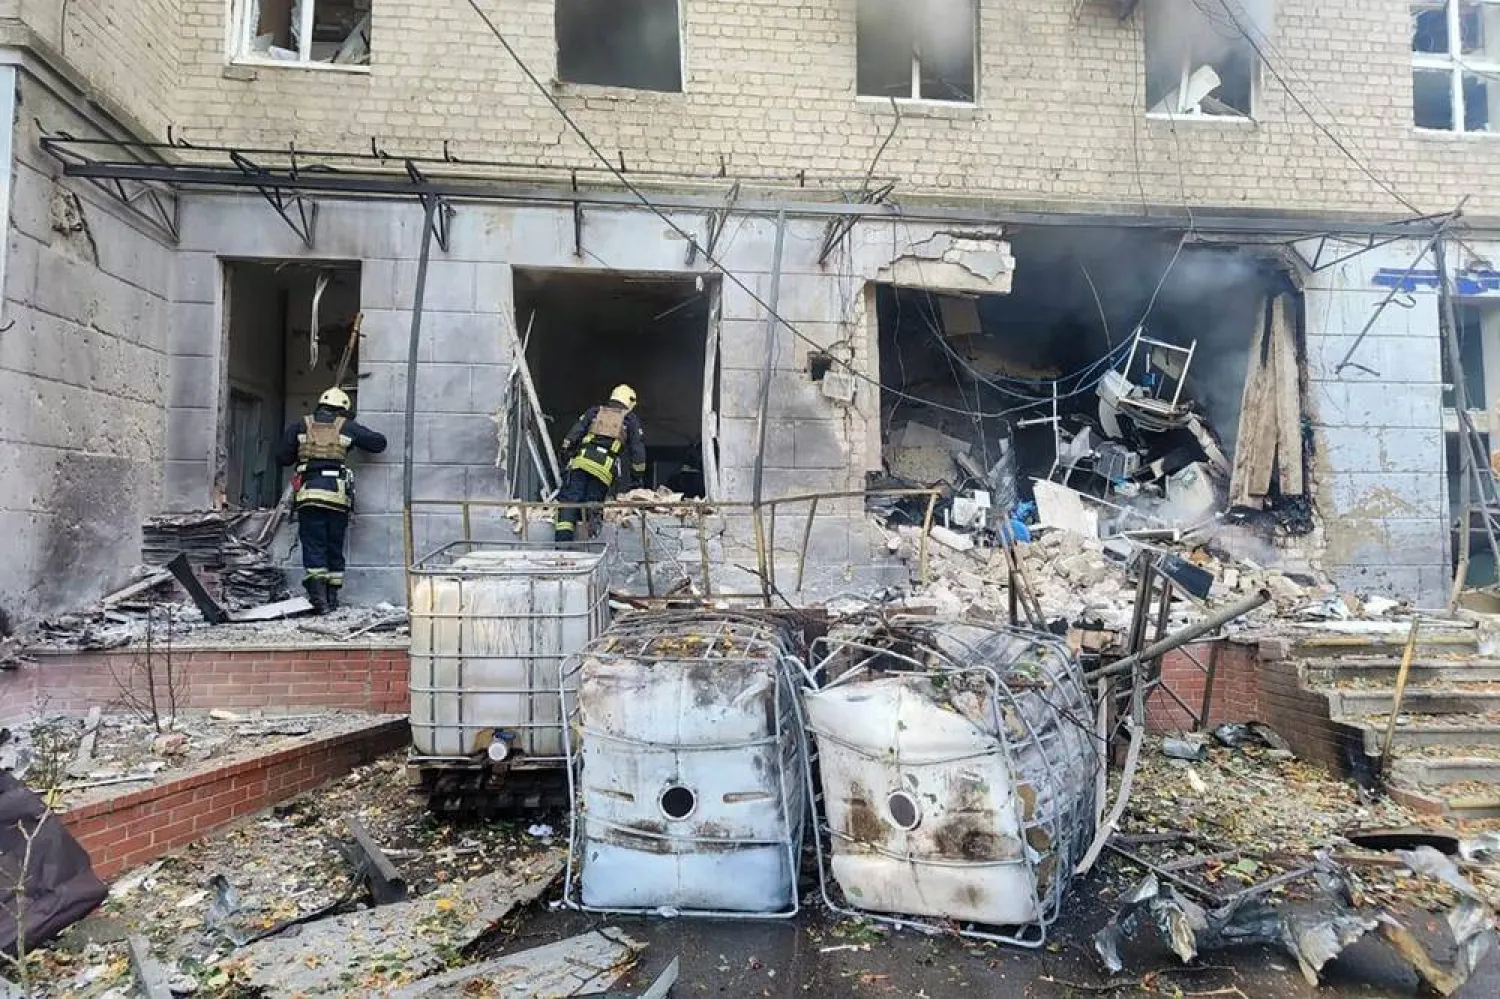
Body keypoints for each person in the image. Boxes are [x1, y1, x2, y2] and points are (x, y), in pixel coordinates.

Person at [277, 387, 387, 613]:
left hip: (309, 493)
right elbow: (379, 443)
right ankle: (332, 598)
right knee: (334, 546)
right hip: (337, 496)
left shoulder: (301, 425)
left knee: (314, 544)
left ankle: (319, 601)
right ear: (344, 409)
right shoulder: (347, 426)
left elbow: (282, 458)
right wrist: (351, 438)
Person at [554, 384, 646, 544]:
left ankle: (562, 545)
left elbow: (573, 435)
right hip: (603, 471)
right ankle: (592, 540)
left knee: (570, 502)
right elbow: (638, 453)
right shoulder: (630, 420)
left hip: (580, 464)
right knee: (593, 502)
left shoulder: (595, 412)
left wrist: (565, 453)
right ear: (630, 402)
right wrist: (637, 477)